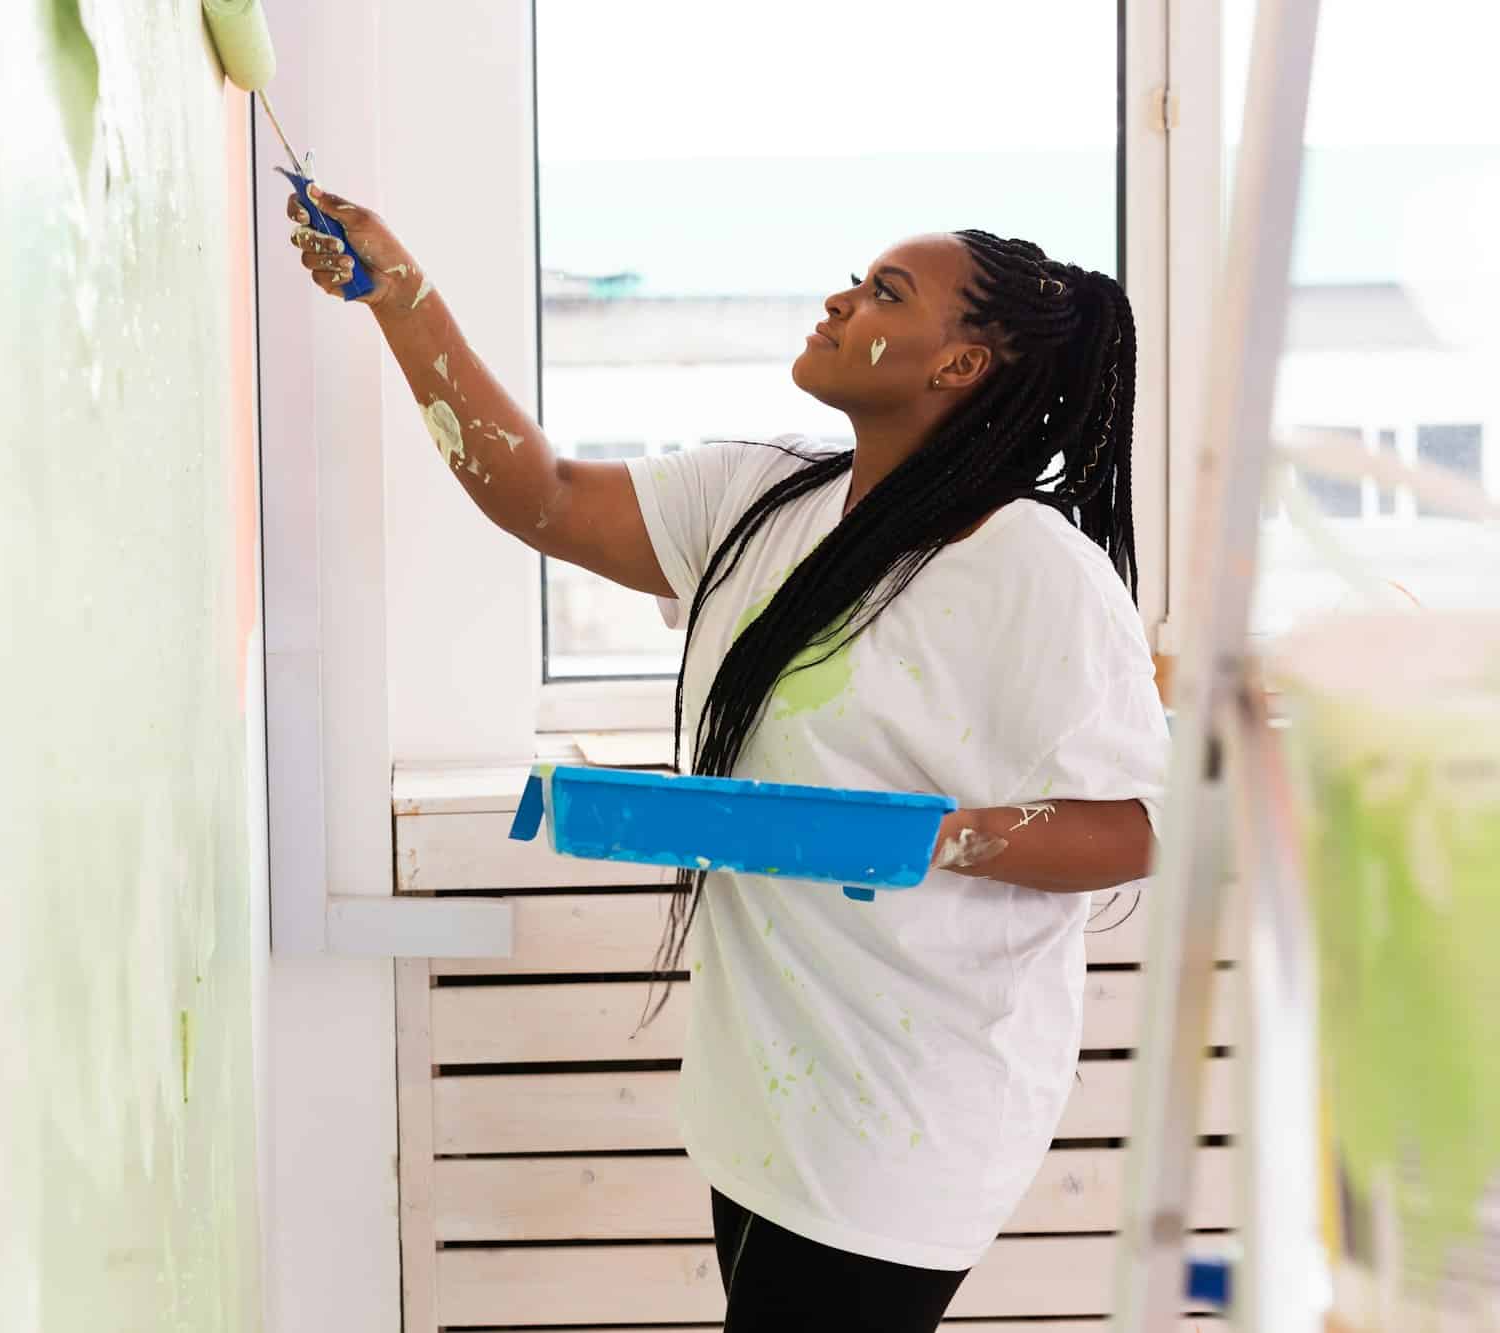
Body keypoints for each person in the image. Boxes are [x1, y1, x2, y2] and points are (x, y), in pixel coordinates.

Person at [285, 184, 1169, 1332]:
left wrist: (930, 837)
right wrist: (399, 293)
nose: (839, 301)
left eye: (882, 294)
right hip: (762, 1084)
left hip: (908, 1106)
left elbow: (1138, 825)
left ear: (957, 367)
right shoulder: (764, 495)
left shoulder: (1033, 574)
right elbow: (538, 494)